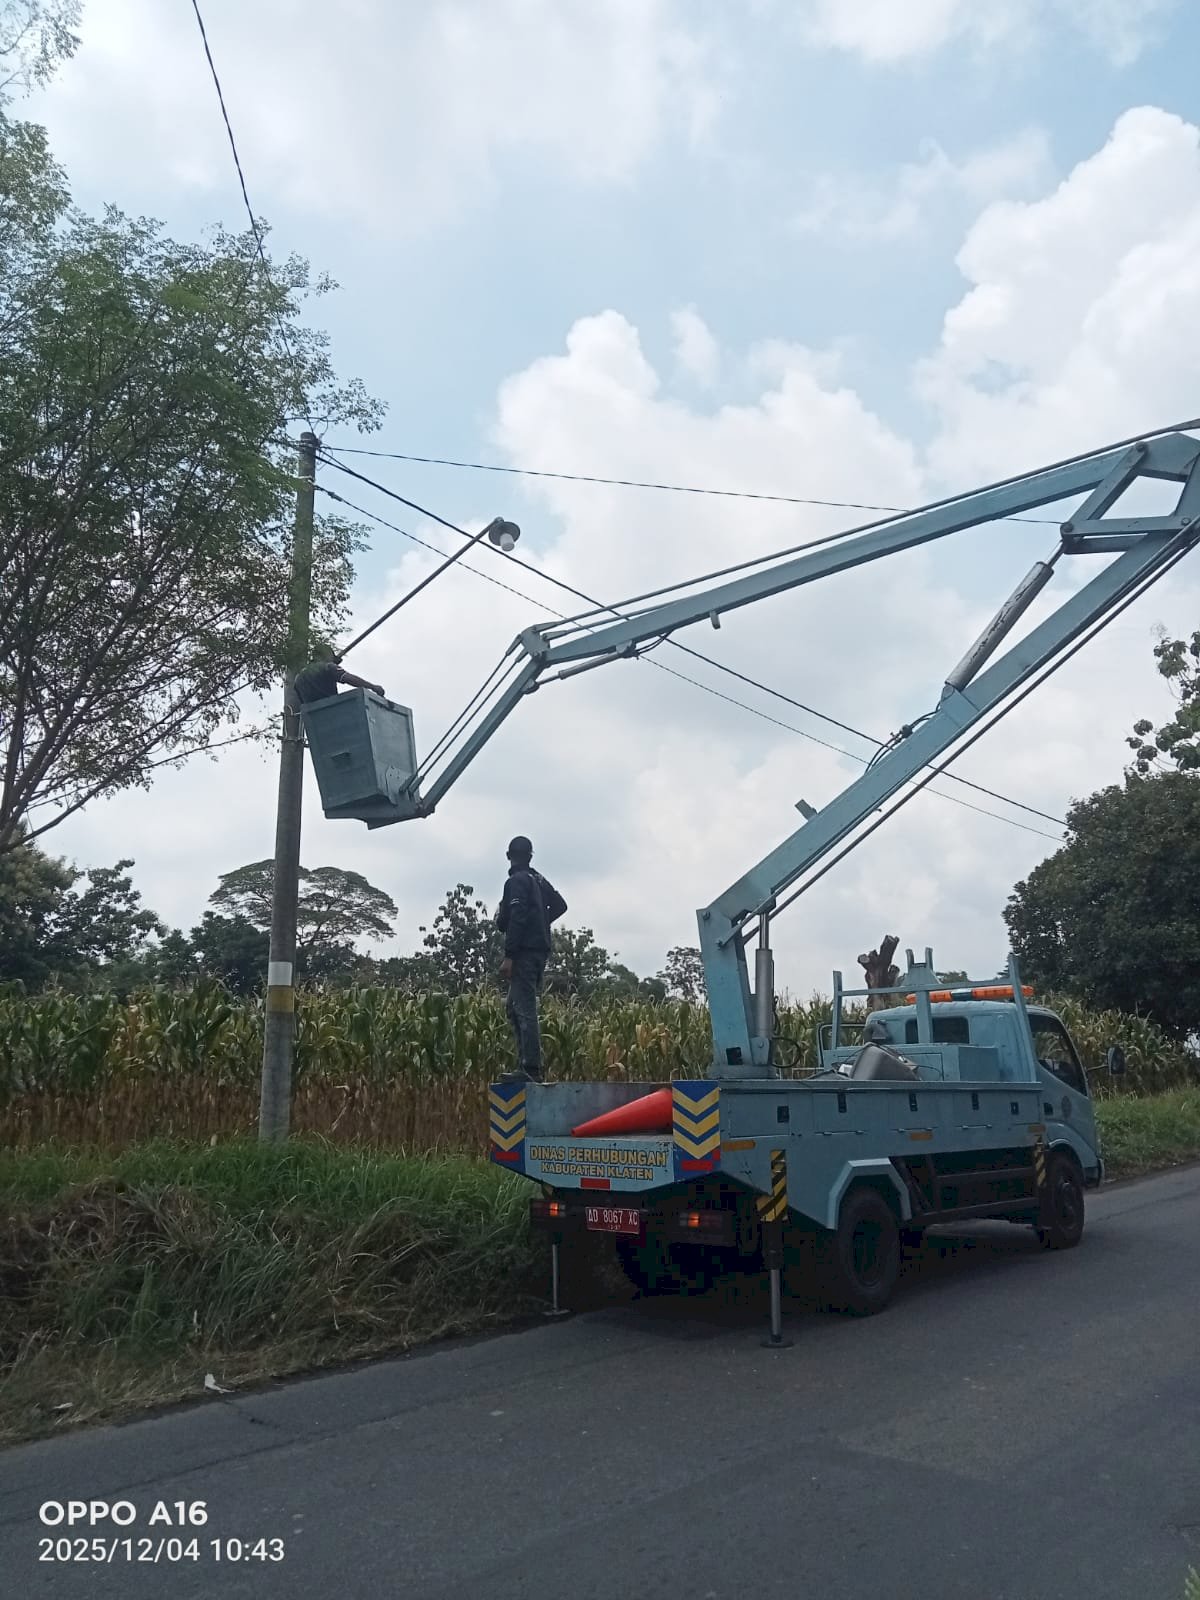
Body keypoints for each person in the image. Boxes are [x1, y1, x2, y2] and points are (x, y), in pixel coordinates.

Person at [495, 836, 567, 1081]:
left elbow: (515, 917)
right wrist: (541, 923)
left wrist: (509, 956)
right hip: (539, 950)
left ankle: (531, 1069)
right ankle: (526, 1065)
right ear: (530, 856)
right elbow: (560, 905)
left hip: (524, 952)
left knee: (524, 1009)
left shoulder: (516, 881)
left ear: (508, 856)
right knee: (513, 1007)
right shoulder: (538, 879)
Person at [293, 641, 384, 705]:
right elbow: (349, 678)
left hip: (316, 723)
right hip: (334, 712)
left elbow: (303, 704)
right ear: (326, 654)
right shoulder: (327, 667)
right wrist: (373, 687)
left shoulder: (298, 678)